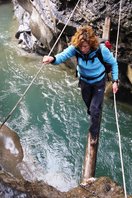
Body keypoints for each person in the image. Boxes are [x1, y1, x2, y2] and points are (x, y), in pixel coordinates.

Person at [43, 26, 118, 145]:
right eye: (81, 46)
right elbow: (62, 56)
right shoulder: (75, 48)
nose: (83, 49)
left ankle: (93, 133)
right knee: (89, 106)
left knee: (94, 110)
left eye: (86, 46)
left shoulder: (101, 50)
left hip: (99, 82)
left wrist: (115, 81)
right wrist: (52, 59)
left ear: (91, 44)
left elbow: (114, 63)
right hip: (84, 82)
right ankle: (94, 113)